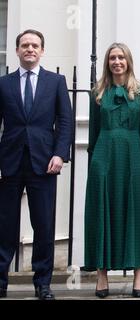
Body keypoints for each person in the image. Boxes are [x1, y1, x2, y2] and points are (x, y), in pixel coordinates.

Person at [0, 29, 73, 300]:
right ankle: (1, 281)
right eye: (25, 45)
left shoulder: (55, 81)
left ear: (42, 50)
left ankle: (43, 283)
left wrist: (59, 154)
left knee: (43, 224)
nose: (30, 49)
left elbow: (64, 121)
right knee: (5, 224)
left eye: (35, 45)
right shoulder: (3, 83)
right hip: (9, 162)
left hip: (45, 163)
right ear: (17, 50)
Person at [84, 43, 140, 298]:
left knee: (135, 210)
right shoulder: (98, 93)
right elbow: (93, 132)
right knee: (103, 211)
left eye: (121, 57)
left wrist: (137, 154)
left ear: (128, 61)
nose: (117, 62)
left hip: (133, 155)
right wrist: (96, 160)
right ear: (107, 62)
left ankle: (139, 274)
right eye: (113, 58)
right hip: (103, 155)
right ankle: (102, 275)